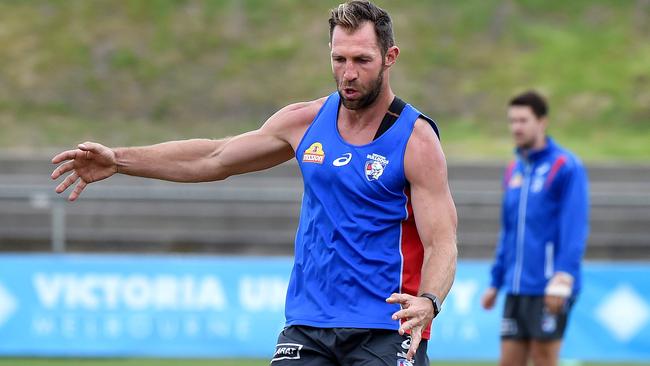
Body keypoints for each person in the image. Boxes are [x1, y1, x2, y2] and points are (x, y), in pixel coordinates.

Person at [51, 1, 458, 364]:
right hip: (308, 324)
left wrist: (429, 301)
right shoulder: (304, 121)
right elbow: (214, 157)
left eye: (362, 60)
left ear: (390, 57)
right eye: (339, 59)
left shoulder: (416, 140)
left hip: (386, 328)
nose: (348, 74)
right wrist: (119, 160)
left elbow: (442, 241)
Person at [480, 91, 589, 366]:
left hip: (548, 285)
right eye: (512, 120)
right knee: (508, 361)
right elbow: (508, 231)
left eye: (523, 120)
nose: (516, 127)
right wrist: (496, 281)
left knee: (543, 358)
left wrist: (563, 275)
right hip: (516, 288)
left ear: (542, 122)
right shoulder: (514, 170)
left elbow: (574, 226)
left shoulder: (565, 166)